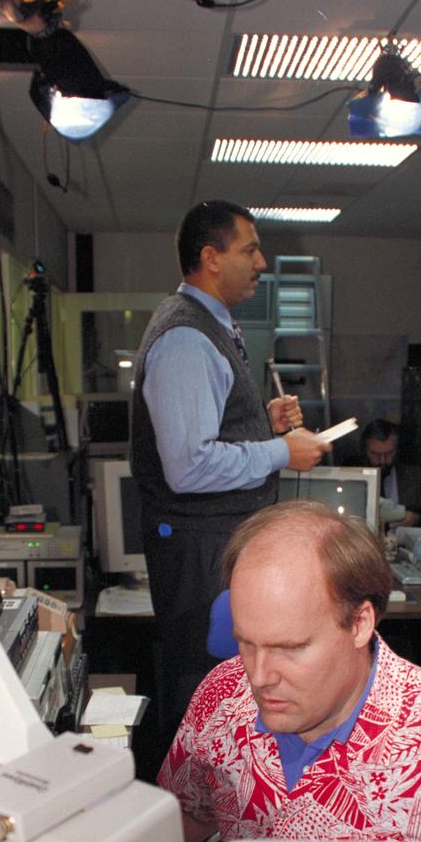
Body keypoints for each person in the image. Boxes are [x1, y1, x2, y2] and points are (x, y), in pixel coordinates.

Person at [159, 500, 421, 842]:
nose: (258, 677)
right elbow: (187, 814)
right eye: (246, 644)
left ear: (359, 623)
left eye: (290, 648)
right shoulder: (222, 695)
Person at [131, 199, 329, 747]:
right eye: (250, 250)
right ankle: (197, 815)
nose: (262, 263)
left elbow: (201, 433)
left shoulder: (210, 327)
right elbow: (189, 468)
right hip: (199, 547)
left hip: (213, 542)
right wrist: (280, 454)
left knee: (225, 687)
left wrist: (260, 426)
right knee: (204, 689)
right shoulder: (186, 338)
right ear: (211, 258)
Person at [359, 418, 421, 528]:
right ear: (365, 451)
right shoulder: (353, 479)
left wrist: (416, 519)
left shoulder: (417, 478)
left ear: (397, 450)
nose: (383, 460)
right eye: (375, 454)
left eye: (389, 453)